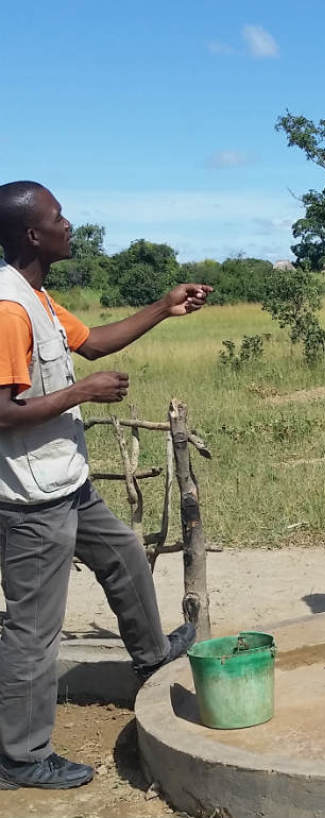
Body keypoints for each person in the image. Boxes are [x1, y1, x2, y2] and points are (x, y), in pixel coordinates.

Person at [0, 181, 212, 790]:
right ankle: (20, 757)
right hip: (31, 499)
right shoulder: (10, 309)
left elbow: (92, 343)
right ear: (34, 236)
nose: (70, 226)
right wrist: (79, 395)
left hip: (65, 481)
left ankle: (151, 655)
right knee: (33, 632)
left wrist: (164, 307)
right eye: (58, 218)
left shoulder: (37, 297)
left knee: (120, 550)